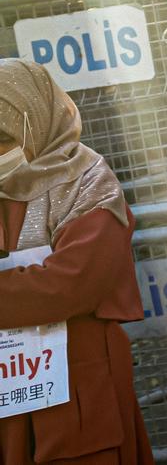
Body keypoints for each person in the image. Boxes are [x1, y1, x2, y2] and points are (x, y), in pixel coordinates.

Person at [0, 59, 154, 465]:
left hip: (76, 380)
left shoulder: (88, 184)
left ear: (36, 120)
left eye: (3, 135)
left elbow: (71, 284)